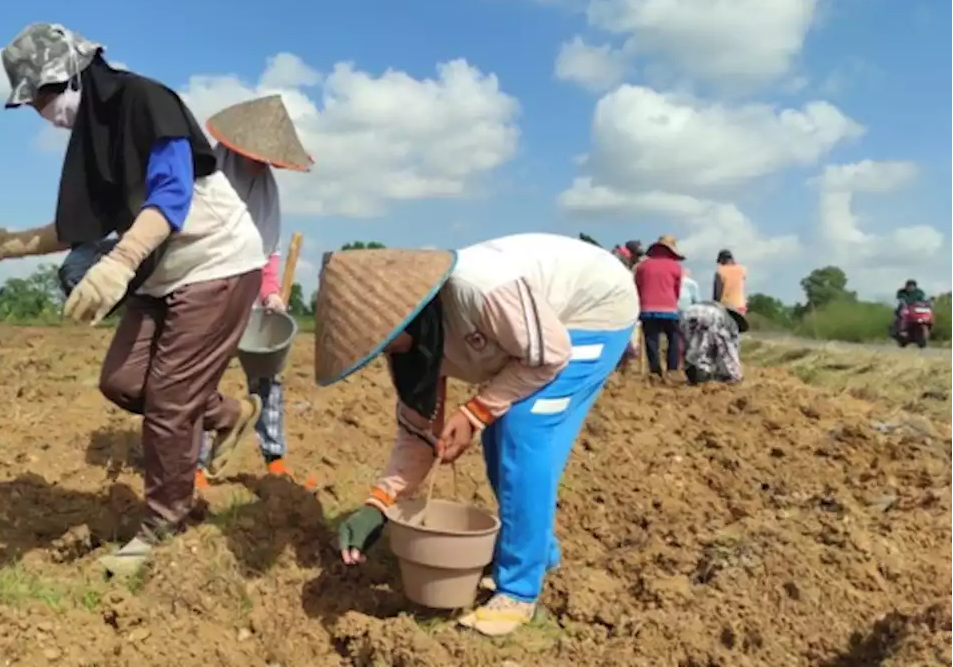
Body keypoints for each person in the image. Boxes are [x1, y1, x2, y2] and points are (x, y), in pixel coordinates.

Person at [0, 23, 267, 576]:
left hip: (215, 262)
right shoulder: (93, 137)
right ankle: (228, 413)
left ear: (74, 74)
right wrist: (5, 245)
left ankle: (162, 526)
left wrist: (119, 263)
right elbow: (78, 225)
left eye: (45, 95)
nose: (43, 110)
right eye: (32, 103)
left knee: (171, 402)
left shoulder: (145, 101)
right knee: (123, 382)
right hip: (162, 272)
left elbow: (171, 197)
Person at [320, 234, 638, 637]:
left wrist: (474, 411)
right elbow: (419, 433)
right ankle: (539, 554)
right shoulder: (409, 346)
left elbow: (551, 354)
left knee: (523, 428)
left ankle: (519, 593)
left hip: (592, 309)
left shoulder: (480, 292)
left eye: (379, 339)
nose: (381, 350)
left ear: (401, 312)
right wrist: (378, 504)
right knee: (501, 440)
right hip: (532, 336)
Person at [194, 95, 316, 489]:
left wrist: (271, 294)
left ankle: (273, 455)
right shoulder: (206, 179)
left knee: (267, 376)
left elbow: (267, 250)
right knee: (200, 375)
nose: (256, 163)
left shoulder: (266, 190)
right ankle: (195, 461)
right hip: (206, 286)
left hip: (247, 290)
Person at [633, 235, 685, 377]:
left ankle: (655, 372)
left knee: (651, 339)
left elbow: (638, 288)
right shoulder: (676, 267)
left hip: (647, 308)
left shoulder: (642, 266)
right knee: (673, 337)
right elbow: (677, 290)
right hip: (669, 307)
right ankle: (672, 369)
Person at [680, 301, 747, 385]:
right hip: (712, 315)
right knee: (724, 348)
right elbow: (731, 349)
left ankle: (693, 372)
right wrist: (736, 374)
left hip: (688, 312)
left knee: (691, 345)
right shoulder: (731, 322)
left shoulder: (720, 309)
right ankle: (735, 377)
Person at [713, 249, 747, 316]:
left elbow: (717, 294)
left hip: (725, 307)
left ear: (722, 260)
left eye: (720, 262)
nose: (720, 264)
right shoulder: (743, 270)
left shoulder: (719, 271)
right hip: (740, 307)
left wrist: (715, 306)